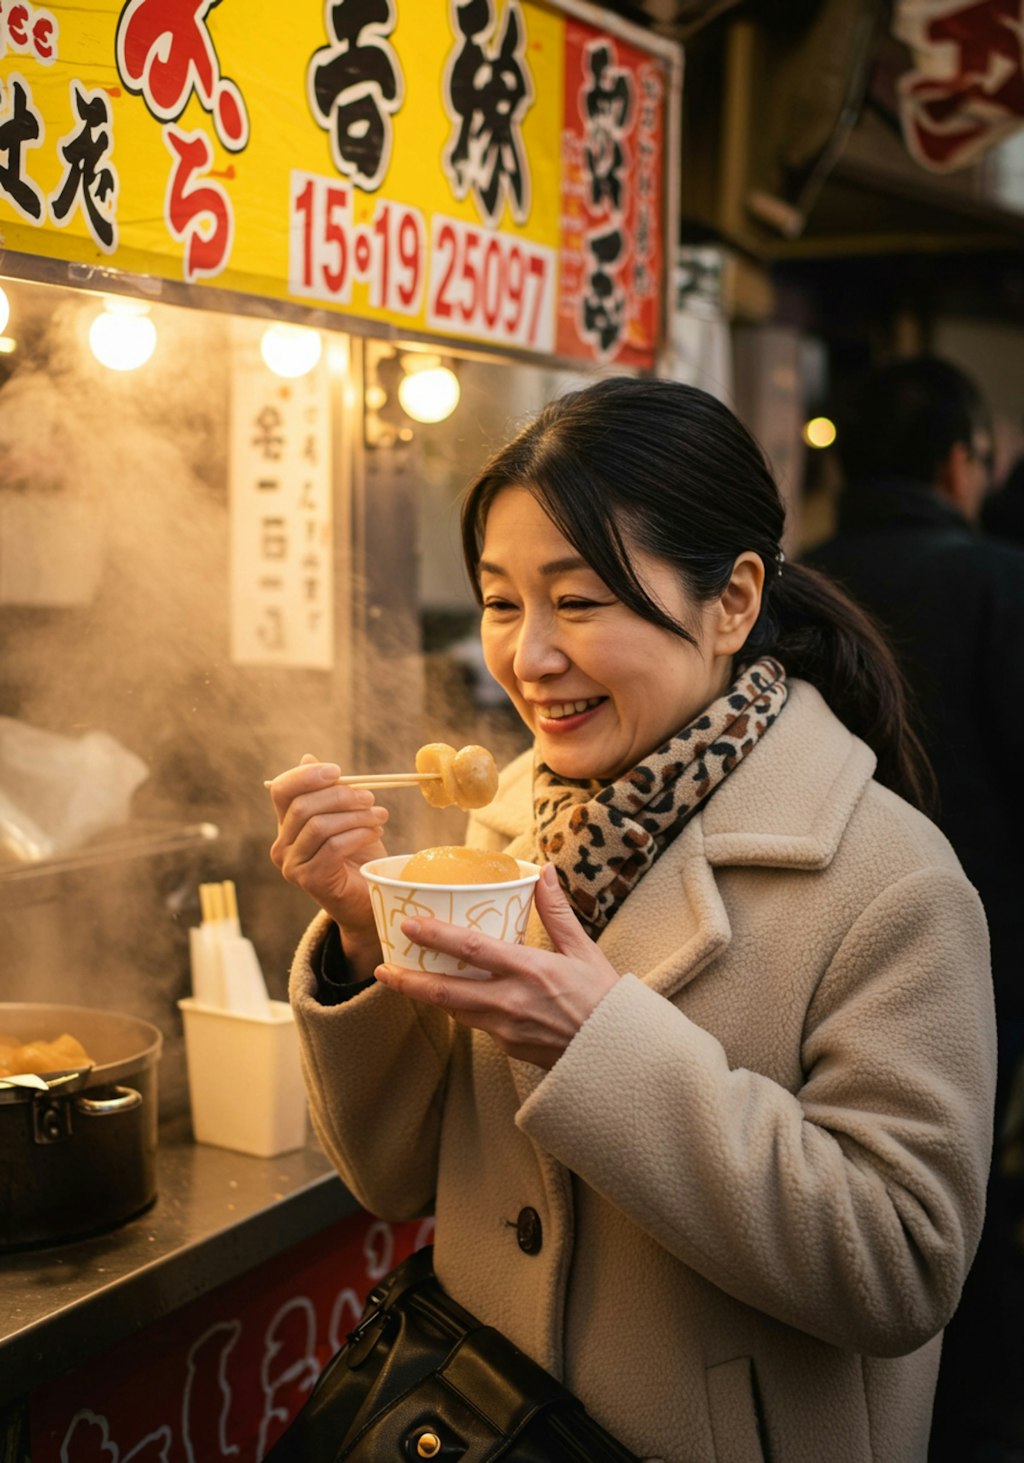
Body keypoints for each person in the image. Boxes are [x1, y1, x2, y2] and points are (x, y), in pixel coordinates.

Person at [268, 375, 996, 1463]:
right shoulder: (507, 822)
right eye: (502, 600)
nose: (528, 655)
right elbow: (396, 1177)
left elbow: (899, 1264)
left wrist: (594, 1040)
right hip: (486, 1423)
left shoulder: (888, 880)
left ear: (733, 600)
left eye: (578, 600)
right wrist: (366, 943)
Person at [804, 356, 1024, 1461]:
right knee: (955, 1220)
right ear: (958, 460)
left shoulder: (798, 585)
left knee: (846, 1199)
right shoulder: (996, 581)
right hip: (985, 960)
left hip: (807, 953)